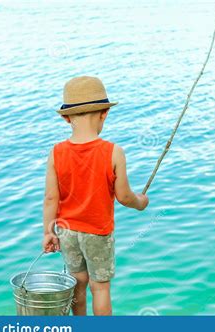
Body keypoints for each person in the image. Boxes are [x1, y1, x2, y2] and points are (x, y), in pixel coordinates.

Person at [42, 76, 149, 316]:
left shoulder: (56, 153)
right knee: (99, 288)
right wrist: (140, 202)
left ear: (66, 118)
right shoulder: (114, 152)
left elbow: (51, 198)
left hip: (67, 231)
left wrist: (48, 232)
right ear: (104, 114)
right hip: (98, 232)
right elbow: (124, 197)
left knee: (77, 286)